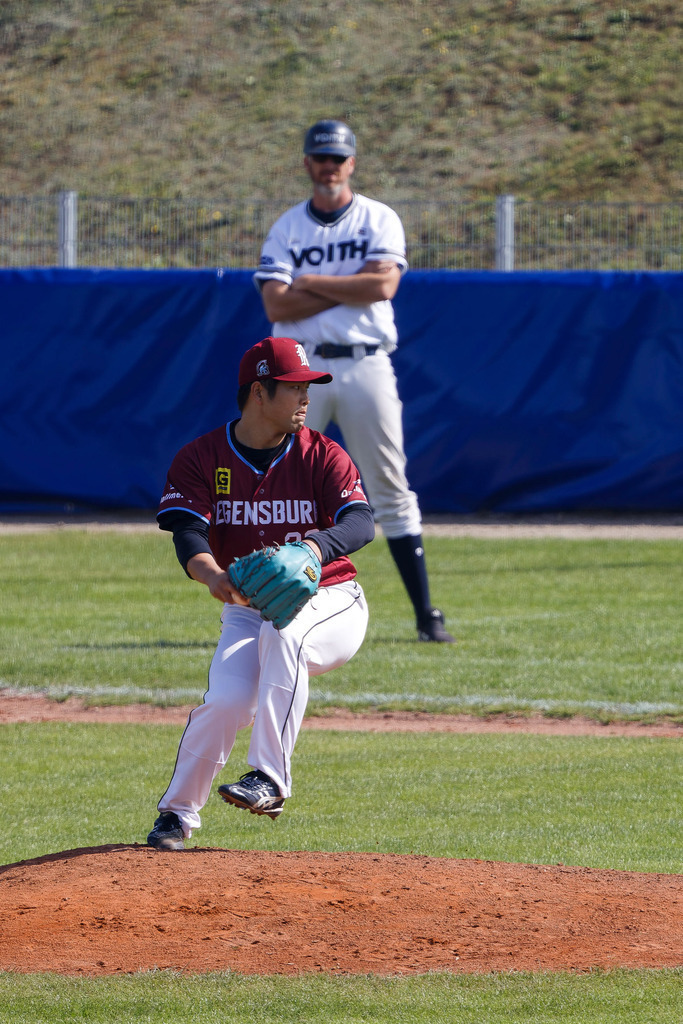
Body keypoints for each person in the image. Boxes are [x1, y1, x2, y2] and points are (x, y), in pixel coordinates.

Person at [147, 335, 374, 851]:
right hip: (249, 611)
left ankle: (270, 779)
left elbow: (361, 523)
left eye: (307, 388)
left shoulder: (322, 454)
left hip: (332, 602)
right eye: (294, 388)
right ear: (258, 393)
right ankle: (176, 817)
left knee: (286, 628)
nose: (305, 399)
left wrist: (316, 547)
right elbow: (188, 533)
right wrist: (213, 576)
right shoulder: (203, 457)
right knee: (225, 701)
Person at [253, 118, 455, 644]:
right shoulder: (288, 226)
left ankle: (425, 614)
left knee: (388, 486)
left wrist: (313, 282)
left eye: (338, 158)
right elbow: (276, 301)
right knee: (279, 485)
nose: (329, 167)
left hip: (366, 362)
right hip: (301, 370)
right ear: (307, 164)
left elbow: (384, 284)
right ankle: (268, 604)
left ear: (352, 163)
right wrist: (352, 285)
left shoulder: (377, 217)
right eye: (321, 157)